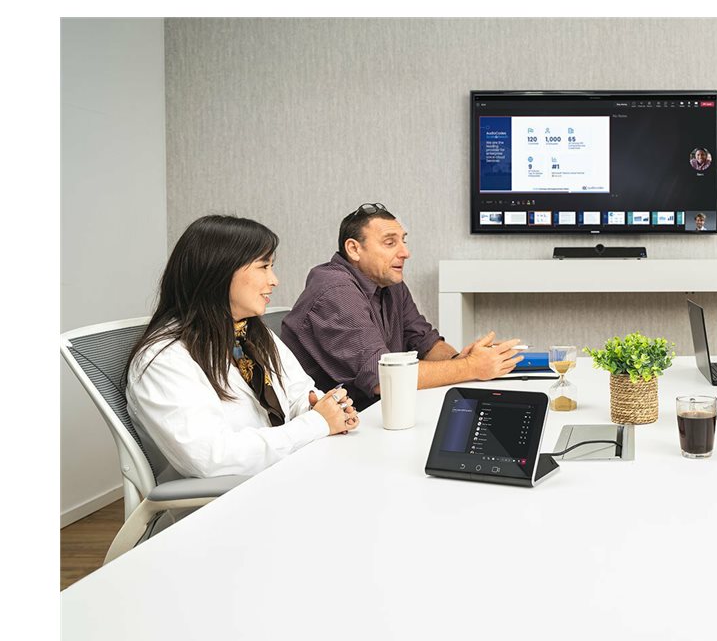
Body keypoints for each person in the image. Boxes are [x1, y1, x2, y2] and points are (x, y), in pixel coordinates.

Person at [127, 215, 358, 481]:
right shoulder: (163, 358)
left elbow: (298, 393)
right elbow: (211, 458)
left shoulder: (252, 333)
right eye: (264, 266)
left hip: (282, 473)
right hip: (227, 498)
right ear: (219, 272)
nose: (274, 280)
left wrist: (326, 409)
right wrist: (316, 423)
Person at [282, 203, 523, 407]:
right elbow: (383, 378)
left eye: (403, 241)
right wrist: (470, 367)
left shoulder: (390, 283)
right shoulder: (335, 291)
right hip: (327, 429)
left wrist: (459, 359)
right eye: (390, 243)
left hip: (373, 413)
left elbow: (424, 342)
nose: (405, 252)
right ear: (354, 249)